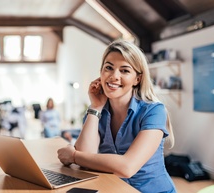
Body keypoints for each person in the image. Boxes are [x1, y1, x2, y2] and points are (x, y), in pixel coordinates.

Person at [57, 39, 176, 192]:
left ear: (137, 79)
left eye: (125, 70)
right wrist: (95, 107)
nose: (114, 76)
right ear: (101, 72)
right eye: (109, 68)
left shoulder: (154, 111)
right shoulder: (97, 112)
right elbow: (85, 159)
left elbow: (127, 167)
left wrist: (73, 156)